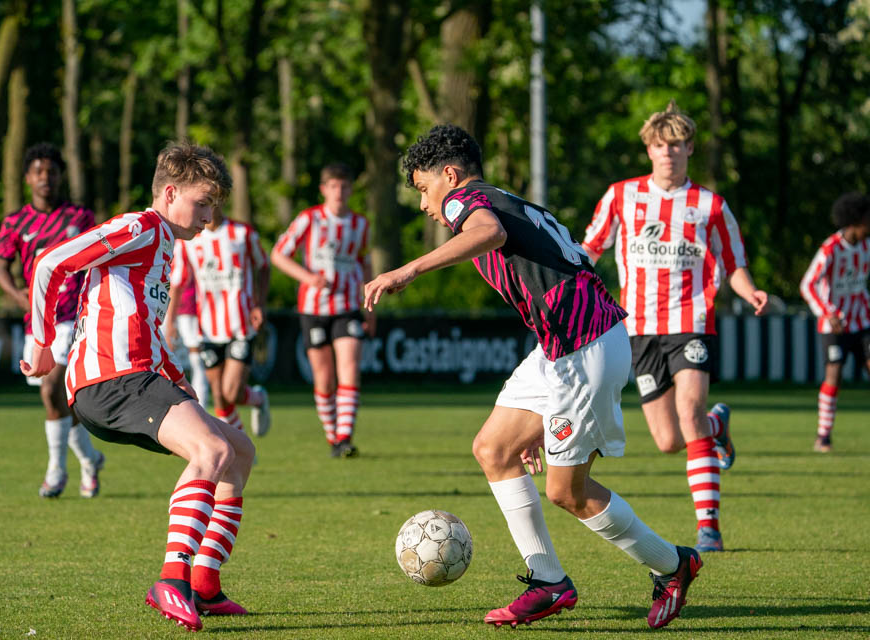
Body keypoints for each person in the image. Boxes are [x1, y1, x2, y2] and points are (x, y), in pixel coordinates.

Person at [365, 124, 700, 630]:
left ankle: (674, 565)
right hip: (563, 348)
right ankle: (548, 582)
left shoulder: (468, 202)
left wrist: (406, 271)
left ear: (449, 176)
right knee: (495, 449)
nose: (423, 204)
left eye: (422, 188)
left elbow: (488, 236)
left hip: (583, 349)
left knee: (567, 491)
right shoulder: (509, 200)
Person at [20, 142, 255, 632]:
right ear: (170, 193)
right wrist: (41, 342)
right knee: (211, 450)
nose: (210, 216)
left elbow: (144, 327)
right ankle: (173, 580)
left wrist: (180, 383)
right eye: (203, 202)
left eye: (214, 206)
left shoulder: (165, 246)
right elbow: (49, 263)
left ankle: (205, 584)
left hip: (137, 377)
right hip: (111, 380)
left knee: (238, 448)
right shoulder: (139, 227)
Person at [582, 101, 769, 553]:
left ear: (689, 149)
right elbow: (589, 250)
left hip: (692, 322)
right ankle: (715, 424)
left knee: (688, 415)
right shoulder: (621, 196)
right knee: (669, 441)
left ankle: (709, 528)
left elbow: (734, 263)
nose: (668, 153)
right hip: (640, 329)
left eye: (677, 145)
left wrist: (749, 291)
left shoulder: (711, 205)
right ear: (649, 149)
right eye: (660, 145)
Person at [0, 142, 105, 499]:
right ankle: (90, 460)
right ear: (27, 178)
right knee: (59, 401)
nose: (46, 178)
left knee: (50, 387)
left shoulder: (80, 218)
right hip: (36, 323)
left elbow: (98, 259)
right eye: (38, 171)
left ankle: (56, 472)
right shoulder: (15, 221)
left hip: (73, 317)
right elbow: (1, 267)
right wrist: (19, 296)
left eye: (52, 171)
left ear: (60, 177)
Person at [271, 163, 374, 457]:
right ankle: (333, 437)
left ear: (351, 190)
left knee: (350, 369)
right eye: (333, 186)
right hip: (313, 307)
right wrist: (308, 278)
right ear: (324, 189)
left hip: (348, 305)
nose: (339, 192)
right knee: (324, 376)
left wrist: (370, 307)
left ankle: (345, 437)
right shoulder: (309, 219)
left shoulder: (360, 224)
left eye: (344, 187)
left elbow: (364, 264)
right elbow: (279, 254)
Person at [165, 203, 271, 436]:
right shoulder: (190, 240)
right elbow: (178, 283)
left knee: (231, 392)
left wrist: (259, 304)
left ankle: (258, 399)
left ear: (221, 199)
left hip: (241, 325)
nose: (208, 205)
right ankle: (239, 450)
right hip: (209, 328)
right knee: (220, 396)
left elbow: (263, 266)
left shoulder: (242, 233)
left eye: (213, 198)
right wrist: (169, 323)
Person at [799, 191, 870, 452]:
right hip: (835, 325)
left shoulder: (867, 246)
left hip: (863, 321)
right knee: (834, 374)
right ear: (855, 220)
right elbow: (807, 284)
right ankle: (823, 436)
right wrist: (826, 312)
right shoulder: (830, 249)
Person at [169, 276, 211, 408]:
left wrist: (170, 321)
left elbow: (176, 285)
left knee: (197, 361)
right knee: (167, 360)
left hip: (191, 309)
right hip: (169, 309)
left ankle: (200, 407)